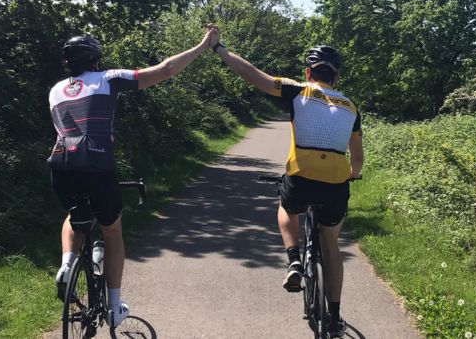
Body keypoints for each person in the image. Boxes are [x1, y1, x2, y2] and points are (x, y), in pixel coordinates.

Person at [48, 26, 217, 328]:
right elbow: (164, 70)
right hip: (98, 165)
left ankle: (66, 263)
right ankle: (114, 307)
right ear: (96, 60)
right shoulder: (108, 79)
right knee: (113, 232)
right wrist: (203, 46)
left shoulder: (56, 91)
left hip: (61, 166)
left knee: (75, 214)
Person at [210, 29, 363, 337]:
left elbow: (250, 73)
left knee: (286, 205)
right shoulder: (351, 107)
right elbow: (357, 157)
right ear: (337, 77)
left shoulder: (297, 91)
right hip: (335, 183)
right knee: (330, 246)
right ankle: (333, 318)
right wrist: (353, 174)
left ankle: (294, 261)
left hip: (301, 177)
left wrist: (219, 48)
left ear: (308, 72)